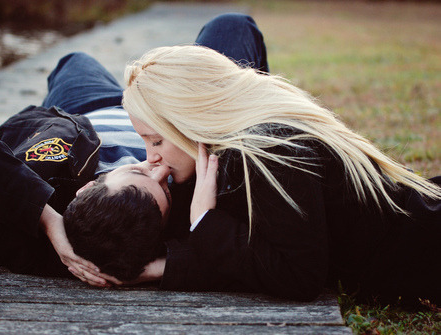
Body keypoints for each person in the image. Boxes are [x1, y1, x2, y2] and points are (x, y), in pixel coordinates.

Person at [118, 13, 441, 306]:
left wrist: (205, 223)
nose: (151, 157)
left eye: (156, 139)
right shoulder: (228, 152)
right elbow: (253, 250)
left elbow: (299, 276)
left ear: (190, 118)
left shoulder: (270, 150)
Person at [0, 51, 172, 285]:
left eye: (136, 171)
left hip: (79, 111)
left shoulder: (20, 239)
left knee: (74, 61)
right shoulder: (167, 212)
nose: (162, 171)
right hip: (140, 112)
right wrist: (162, 268)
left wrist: (47, 220)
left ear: (86, 188)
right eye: (166, 190)